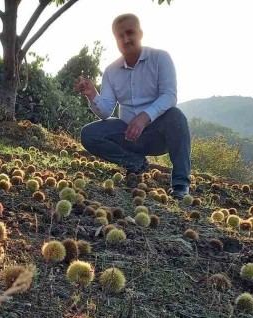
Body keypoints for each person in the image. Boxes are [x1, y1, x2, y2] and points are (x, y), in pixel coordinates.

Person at [74, 13, 192, 199]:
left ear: (140, 33)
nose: (126, 39)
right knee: (89, 134)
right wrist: (92, 95)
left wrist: (144, 117)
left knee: (176, 117)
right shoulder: (111, 71)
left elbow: (169, 95)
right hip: (128, 135)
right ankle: (135, 163)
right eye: (120, 36)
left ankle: (180, 184)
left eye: (130, 33)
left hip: (158, 134)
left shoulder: (160, 58)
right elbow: (106, 112)